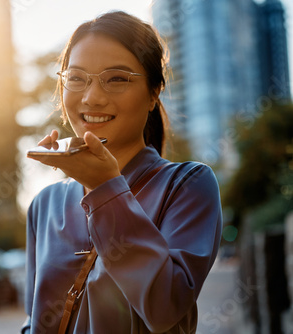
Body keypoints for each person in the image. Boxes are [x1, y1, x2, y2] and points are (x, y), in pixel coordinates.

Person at [22, 10, 222, 334]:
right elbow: (34, 321)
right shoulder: (43, 204)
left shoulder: (187, 185)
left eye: (117, 78)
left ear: (154, 93)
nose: (92, 97)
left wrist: (105, 188)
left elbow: (165, 308)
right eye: (76, 78)